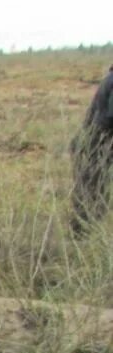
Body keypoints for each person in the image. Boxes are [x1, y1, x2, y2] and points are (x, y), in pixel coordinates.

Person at [69, 63, 113, 236]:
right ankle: (81, 243)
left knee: (92, 195)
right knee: (92, 198)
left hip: (93, 147)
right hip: (96, 149)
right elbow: (110, 120)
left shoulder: (109, 79)